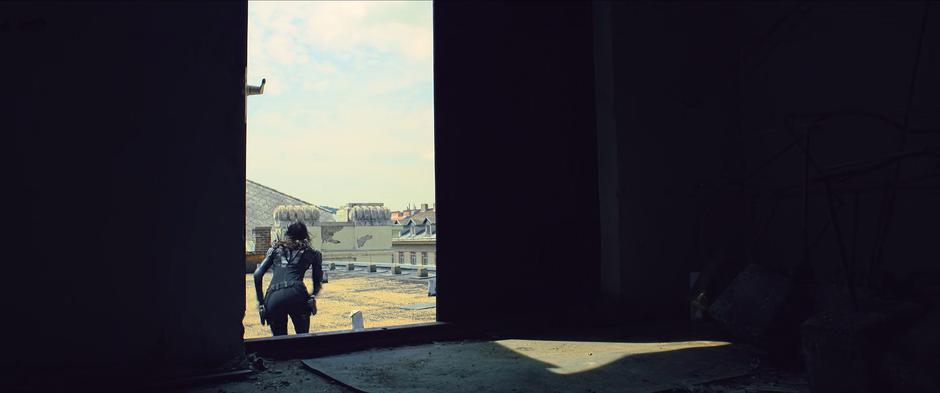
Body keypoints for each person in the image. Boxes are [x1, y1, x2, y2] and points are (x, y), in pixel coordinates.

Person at [253, 221, 323, 336]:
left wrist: (261, 302)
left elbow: (257, 275)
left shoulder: (274, 250)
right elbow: (317, 282)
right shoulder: (312, 254)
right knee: (302, 339)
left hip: (273, 296)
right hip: (297, 293)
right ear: (306, 236)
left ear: (288, 234)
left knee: (279, 343)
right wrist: (312, 296)